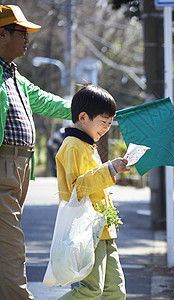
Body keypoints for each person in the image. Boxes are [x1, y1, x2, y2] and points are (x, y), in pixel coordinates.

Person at [0, 5, 71, 300]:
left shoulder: (13, 75)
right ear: (2, 34)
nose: (28, 39)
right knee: (11, 244)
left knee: (6, 240)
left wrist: (88, 107)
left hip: (19, 167)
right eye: (22, 33)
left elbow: (46, 101)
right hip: (5, 166)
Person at [56, 85, 129, 300]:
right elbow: (77, 187)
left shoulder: (86, 145)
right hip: (87, 229)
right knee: (91, 290)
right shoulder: (73, 145)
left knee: (115, 291)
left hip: (103, 228)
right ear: (83, 117)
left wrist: (110, 169)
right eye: (103, 122)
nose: (106, 128)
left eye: (109, 123)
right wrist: (110, 169)